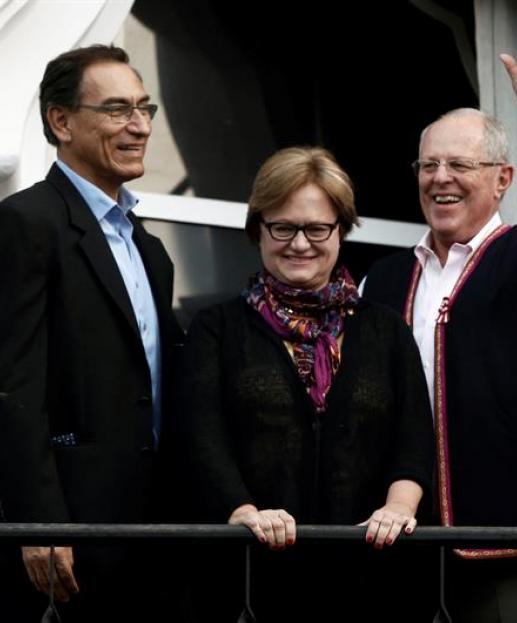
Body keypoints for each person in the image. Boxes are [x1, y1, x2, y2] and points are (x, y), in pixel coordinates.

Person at [361, 20, 517, 623]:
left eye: (460, 165)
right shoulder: (379, 280)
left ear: (503, 179)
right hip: (400, 546)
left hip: (513, 547)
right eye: (428, 165)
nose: (440, 178)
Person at [0, 45, 185, 622]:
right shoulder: (24, 222)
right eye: (116, 110)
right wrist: (40, 525)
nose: (139, 126)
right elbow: (2, 387)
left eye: (144, 108)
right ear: (61, 121)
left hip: (142, 537)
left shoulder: (150, 249)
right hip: (55, 546)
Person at [180, 147, 436, 622]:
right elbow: (200, 438)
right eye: (283, 227)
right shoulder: (215, 329)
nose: (300, 244)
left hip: (368, 581)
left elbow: (415, 440)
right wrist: (243, 511)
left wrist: (398, 508)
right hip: (251, 581)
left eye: (317, 228)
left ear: (341, 230)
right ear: (258, 229)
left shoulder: (384, 330)